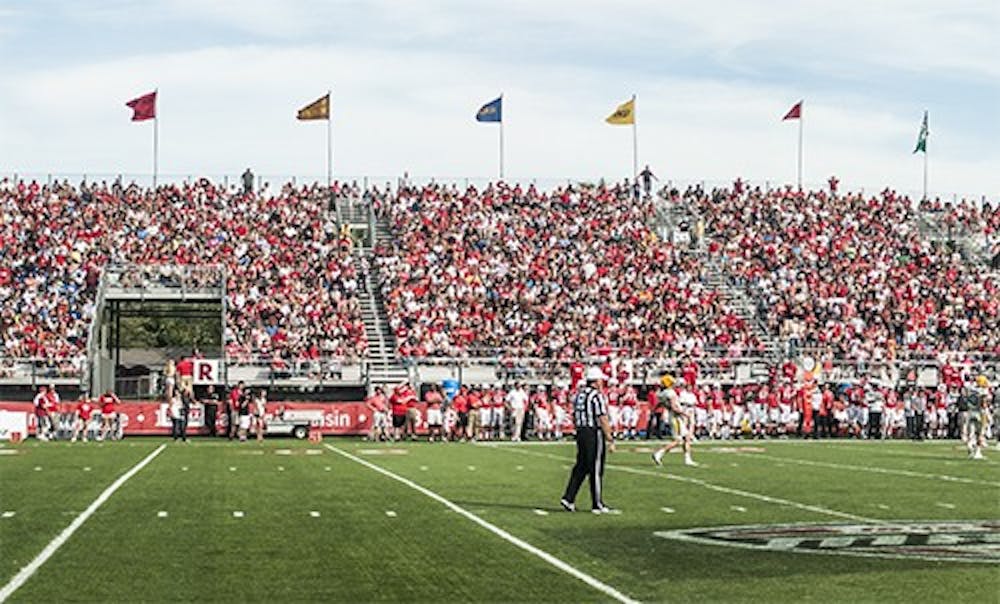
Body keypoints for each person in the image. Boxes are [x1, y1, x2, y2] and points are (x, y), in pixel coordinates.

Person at [560, 367, 615, 514]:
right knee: (595, 468)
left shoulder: (579, 395)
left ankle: (569, 497)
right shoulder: (596, 396)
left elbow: (574, 414)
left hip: (581, 431)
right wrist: (610, 438)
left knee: (581, 466)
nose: (602, 383)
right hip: (593, 432)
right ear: (596, 381)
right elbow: (602, 417)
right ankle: (597, 504)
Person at [652, 374, 697, 467]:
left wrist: (654, 410)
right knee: (678, 440)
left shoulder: (662, 394)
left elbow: (659, 404)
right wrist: (684, 414)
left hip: (673, 416)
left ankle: (688, 459)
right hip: (676, 417)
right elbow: (674, 407)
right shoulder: (670, 393)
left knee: (686, 437)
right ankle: (659, 453)